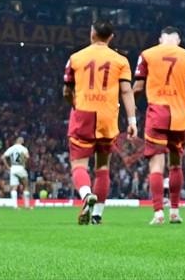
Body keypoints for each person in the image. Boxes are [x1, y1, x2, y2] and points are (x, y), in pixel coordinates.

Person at [134, 27, 185, 225]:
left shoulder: (147, 55)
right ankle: (175, 211)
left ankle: (158, 212)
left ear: (161, 39)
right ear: (178, 40)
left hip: (157, 115)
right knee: (176, 164)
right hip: (180, 116)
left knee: (156, 166)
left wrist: (129, 106)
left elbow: (138, 87)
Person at [63, 19, 135, 225]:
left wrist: (74, 104)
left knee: (79, 164)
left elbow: (66, 90)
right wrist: (132, 120)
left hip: (83, 114)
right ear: (111, 37)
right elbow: (126, 91)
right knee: (103, 166)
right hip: (107, 116)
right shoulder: (121, 61)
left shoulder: (76, 58)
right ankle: (97, 215)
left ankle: (86, 195)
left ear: (92, 33)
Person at [1, 136, 32, 210]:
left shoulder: (11, 148)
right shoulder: (23, 148)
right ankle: (27, 205)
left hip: (13, 168)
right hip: (20, 167)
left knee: (14, 187)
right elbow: (27, 157)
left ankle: (15, 206)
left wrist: (8, 167)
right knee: (26, 185)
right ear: (22, 142)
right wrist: (24, 163)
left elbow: (2, 157)